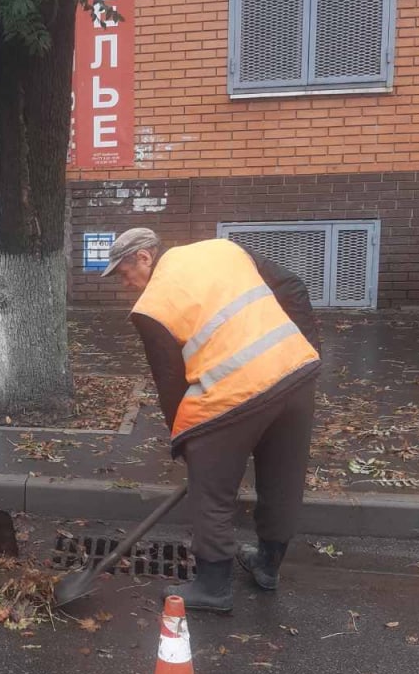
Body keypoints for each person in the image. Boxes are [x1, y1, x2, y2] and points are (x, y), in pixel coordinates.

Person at [103, 228, 321, 613]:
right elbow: (294, 287)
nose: (125, 284)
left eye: (123, 272)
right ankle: (268, 566)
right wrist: (304, 352)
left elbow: (170, 385)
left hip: (236, 391)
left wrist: (186, 442)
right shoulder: (224, 249)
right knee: (283, 478)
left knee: (211, 489)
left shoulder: (151, 305)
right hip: (296, 374)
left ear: (144, 257)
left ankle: (212, 586)